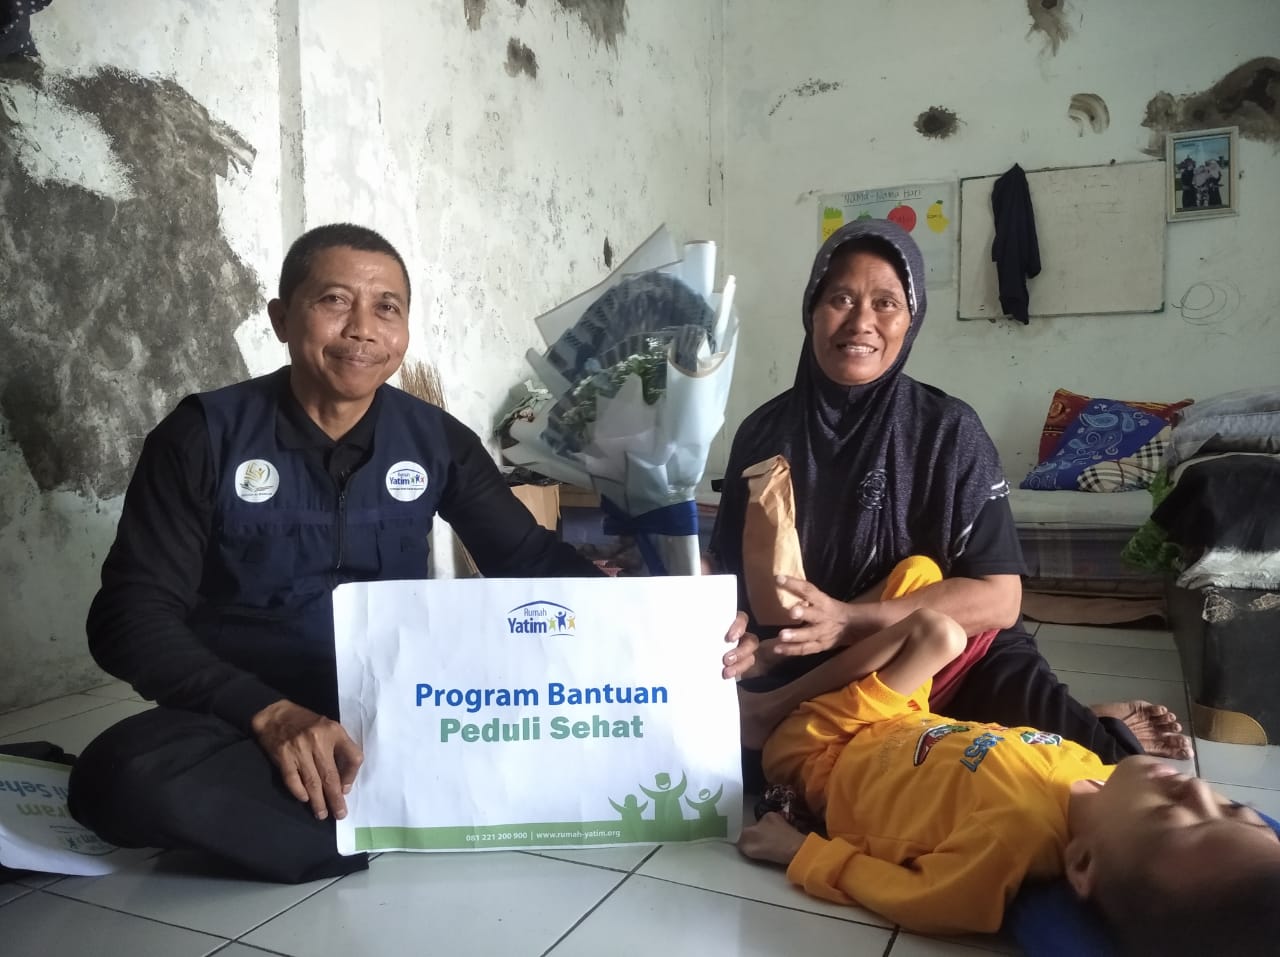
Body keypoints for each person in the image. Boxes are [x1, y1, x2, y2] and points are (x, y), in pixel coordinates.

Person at [68, 223, 757, 884]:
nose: (362, 328)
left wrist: (673, 620)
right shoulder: (204, 437)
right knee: (117, 776)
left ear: (404, 329)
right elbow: (129, 618)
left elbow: (529, 559)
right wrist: (269, 712)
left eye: (387, 308)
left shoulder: (434, 441)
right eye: (334, 300)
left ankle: (351, 811)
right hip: (245, 713)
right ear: (281, 318)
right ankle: (388, 811)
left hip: (402, 712)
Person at [709, 218, 1190, 787]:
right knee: (737, 773)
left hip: (948, 657)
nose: (861, 322)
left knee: (1087, 781)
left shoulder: (947, 431)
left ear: (911, 321)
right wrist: (738, 632)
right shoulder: (763, 431)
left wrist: (850, 620)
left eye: (886, 303)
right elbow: (728, 572)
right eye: (840, 298)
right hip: (801, 660)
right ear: (812, 310)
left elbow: (1000, 599)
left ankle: (1086, 721)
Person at [735, 605, 1280, 954]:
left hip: (822, 752)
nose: (1198, 789)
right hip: (899, 718)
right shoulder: (1097, 774)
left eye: (1171, 817)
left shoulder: (1010, 842)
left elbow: (914, 898)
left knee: (939, 632)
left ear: (1082, 864)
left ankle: (762, 694)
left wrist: (800, 852)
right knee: (922, 576)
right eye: (1234, 809)